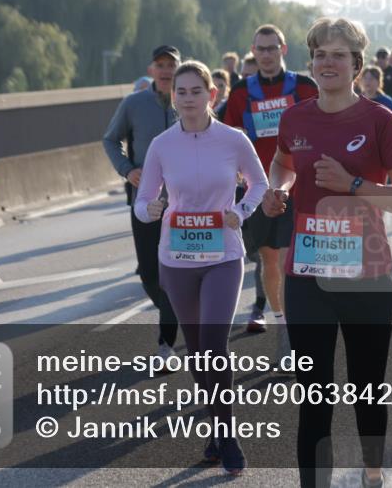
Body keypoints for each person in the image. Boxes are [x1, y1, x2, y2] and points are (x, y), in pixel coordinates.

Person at [262, 16, 392, 488]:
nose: (327, 62)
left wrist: (353, 184)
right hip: (308, 275)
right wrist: (280, 188)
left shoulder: (379, 120)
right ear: (310, 62)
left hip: (366, 278)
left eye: (338, 55)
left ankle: (373, 473)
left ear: (356, 64)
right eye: (319, 54)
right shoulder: (295, 117)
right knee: (313, 396)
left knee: (367, 389)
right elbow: (281, 161)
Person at [135, 61, 267, 475]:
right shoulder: (161, 145)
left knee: (214, 343)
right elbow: (142, 203)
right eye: (180, 91)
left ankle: (226, 436)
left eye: (196, 91)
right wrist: (151, 208)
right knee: (197, 351)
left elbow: (259, 183)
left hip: (223, 256)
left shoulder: (233, 139)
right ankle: (215, 426)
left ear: (211, 95)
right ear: (172, 97)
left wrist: (241, 210)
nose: (187, 99)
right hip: (176, 259)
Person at [222, 24, 319, 345]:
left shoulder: (305, 87)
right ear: (253, 50)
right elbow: (228, 138)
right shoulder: (239, 92)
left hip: (298, 187)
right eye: (260, 49)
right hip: (258, 189)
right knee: (270, 262)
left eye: (271, 48)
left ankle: (299, 330)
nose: (265, 54)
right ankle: (284, 327)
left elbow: (327, 127)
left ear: (283, 49)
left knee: (292, 260)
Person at [102, 45, 181, 359]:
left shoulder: (189, 102)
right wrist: (127, 169)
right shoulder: (134, 103)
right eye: (160, 64)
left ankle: (165, 343)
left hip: (184, 205)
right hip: (145, 201)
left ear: (180, 67)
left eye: (171, 65)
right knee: (149, 273)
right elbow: (110, 139)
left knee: (173, 272)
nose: (165, 70)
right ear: (151, 70)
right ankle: (178, 312)